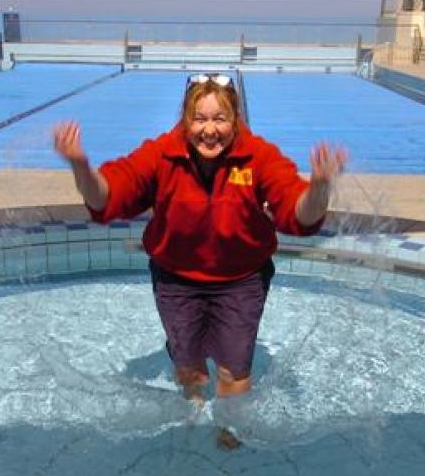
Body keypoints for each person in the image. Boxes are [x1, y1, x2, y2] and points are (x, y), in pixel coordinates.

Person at [54, 73, 345, 419]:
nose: (210, 130)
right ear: (185, 119)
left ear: (235, 119)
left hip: (241, 281)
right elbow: (110, 195)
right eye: (200, 118)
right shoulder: (161, 154)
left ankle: (229, 430)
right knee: (190, 368)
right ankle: (193, 410)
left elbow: (297, 211)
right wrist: (81, 167)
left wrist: (320, 189)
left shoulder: (258, 156)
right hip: (176, 280)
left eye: (220, 119)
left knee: (233, 370)